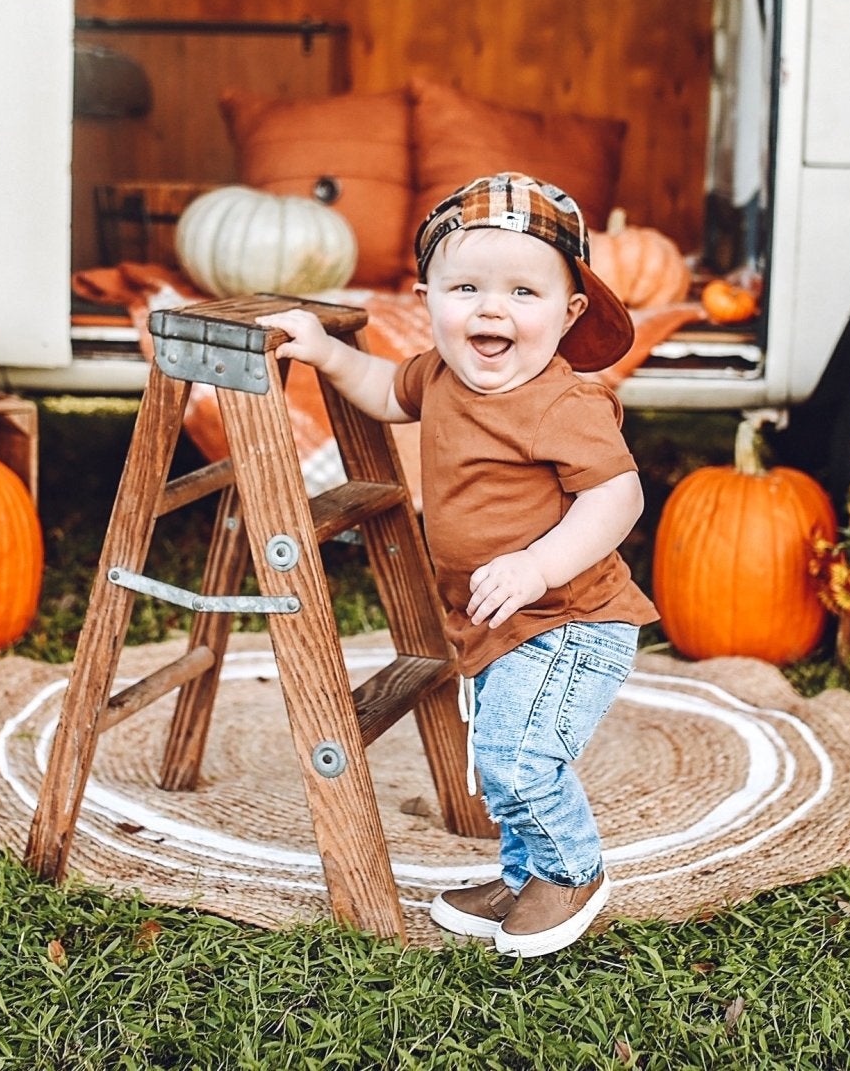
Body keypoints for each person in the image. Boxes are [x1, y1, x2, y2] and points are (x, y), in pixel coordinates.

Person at [260, 171, 659, 959]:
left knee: (518, 755)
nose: (491, 308)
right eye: (466, 286)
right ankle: (524, 876)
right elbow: (382, 388)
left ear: (569, 312)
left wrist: (539, 566)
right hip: (498, 622)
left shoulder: (561, 402)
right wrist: (326, 353)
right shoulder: (438, 375)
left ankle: (575, 873)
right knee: (497, 756)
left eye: (522, 292)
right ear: (427, 297)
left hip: (570, 618)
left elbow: (619, 496)